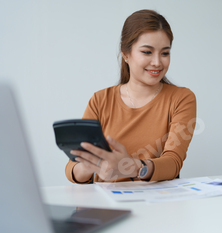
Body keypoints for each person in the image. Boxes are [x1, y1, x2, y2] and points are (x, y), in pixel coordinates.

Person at [65, 9, 197, 183]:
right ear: (126, 54)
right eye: (147, 52)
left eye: (165, 53)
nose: (157, 62)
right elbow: (72, 168)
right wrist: (90, 166)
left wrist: (134, 167)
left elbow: (173, 162)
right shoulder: (100, 100)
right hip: (108, 204)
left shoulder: (181, 98)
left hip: (158, 204)